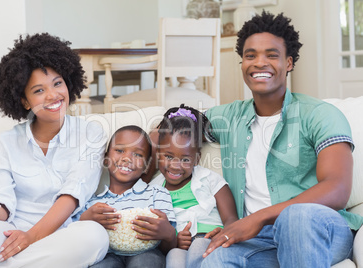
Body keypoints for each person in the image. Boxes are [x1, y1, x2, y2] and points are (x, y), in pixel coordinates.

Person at [201, 11, 363, 267]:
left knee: (295, 217)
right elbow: (180, 124)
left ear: (288, 63)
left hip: (319, 229)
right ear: (242, 63)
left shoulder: (320, 115)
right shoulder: (229, 116)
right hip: (260, 240)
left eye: (271, 55)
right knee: (214, 258)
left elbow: (338, 189)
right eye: (250, 55)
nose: (259, 62)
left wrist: (257, 218)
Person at [0, 33, 109, 267]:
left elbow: (72, 196)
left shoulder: (91, 134)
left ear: (68, 83)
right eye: (39, 90)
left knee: (94, 236)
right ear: (25, 101)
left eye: (58, 83)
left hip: (62, 236)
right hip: (8, 233)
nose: (53, 95)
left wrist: (30, 239)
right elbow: (2, 204)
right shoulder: (6, 142)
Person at [150, 105, 238, 268]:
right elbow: (159, 237)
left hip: (212, 241)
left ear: (197, 159)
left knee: (198, 246)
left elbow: (232, 219)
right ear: (158, 155)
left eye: (185, 159)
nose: (175, 166)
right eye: (168, 157)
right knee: (174, 256)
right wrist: (175, 241)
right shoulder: (153, 190)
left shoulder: (210, 179)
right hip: (179, 247)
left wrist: (224, 233)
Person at [77, 125, 177, 268]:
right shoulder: (92, 203)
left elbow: (169, 248)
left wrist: (169, 234)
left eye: (137, 154)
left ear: (147, 166)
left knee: (146, 262)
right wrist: (85, 219)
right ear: (105, 158)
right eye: (119, 150)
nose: (127, 158)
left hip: (148, 253)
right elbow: (77, 241)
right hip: (106, 255)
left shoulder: (157, 194)